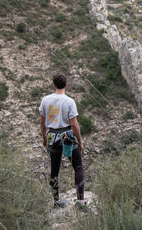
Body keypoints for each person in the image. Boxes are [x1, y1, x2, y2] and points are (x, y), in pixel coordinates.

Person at [39, 73, 87, 210]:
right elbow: (75, 124)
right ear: (66, 85)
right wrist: (80, 141)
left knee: (54, 170)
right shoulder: (69, 101)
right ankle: (81, 202)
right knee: (77, 167)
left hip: (52, 137)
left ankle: (57, 201)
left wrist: (44, 138)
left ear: (53, 85)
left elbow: (42, 123)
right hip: (67, 137)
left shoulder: (45, 100)